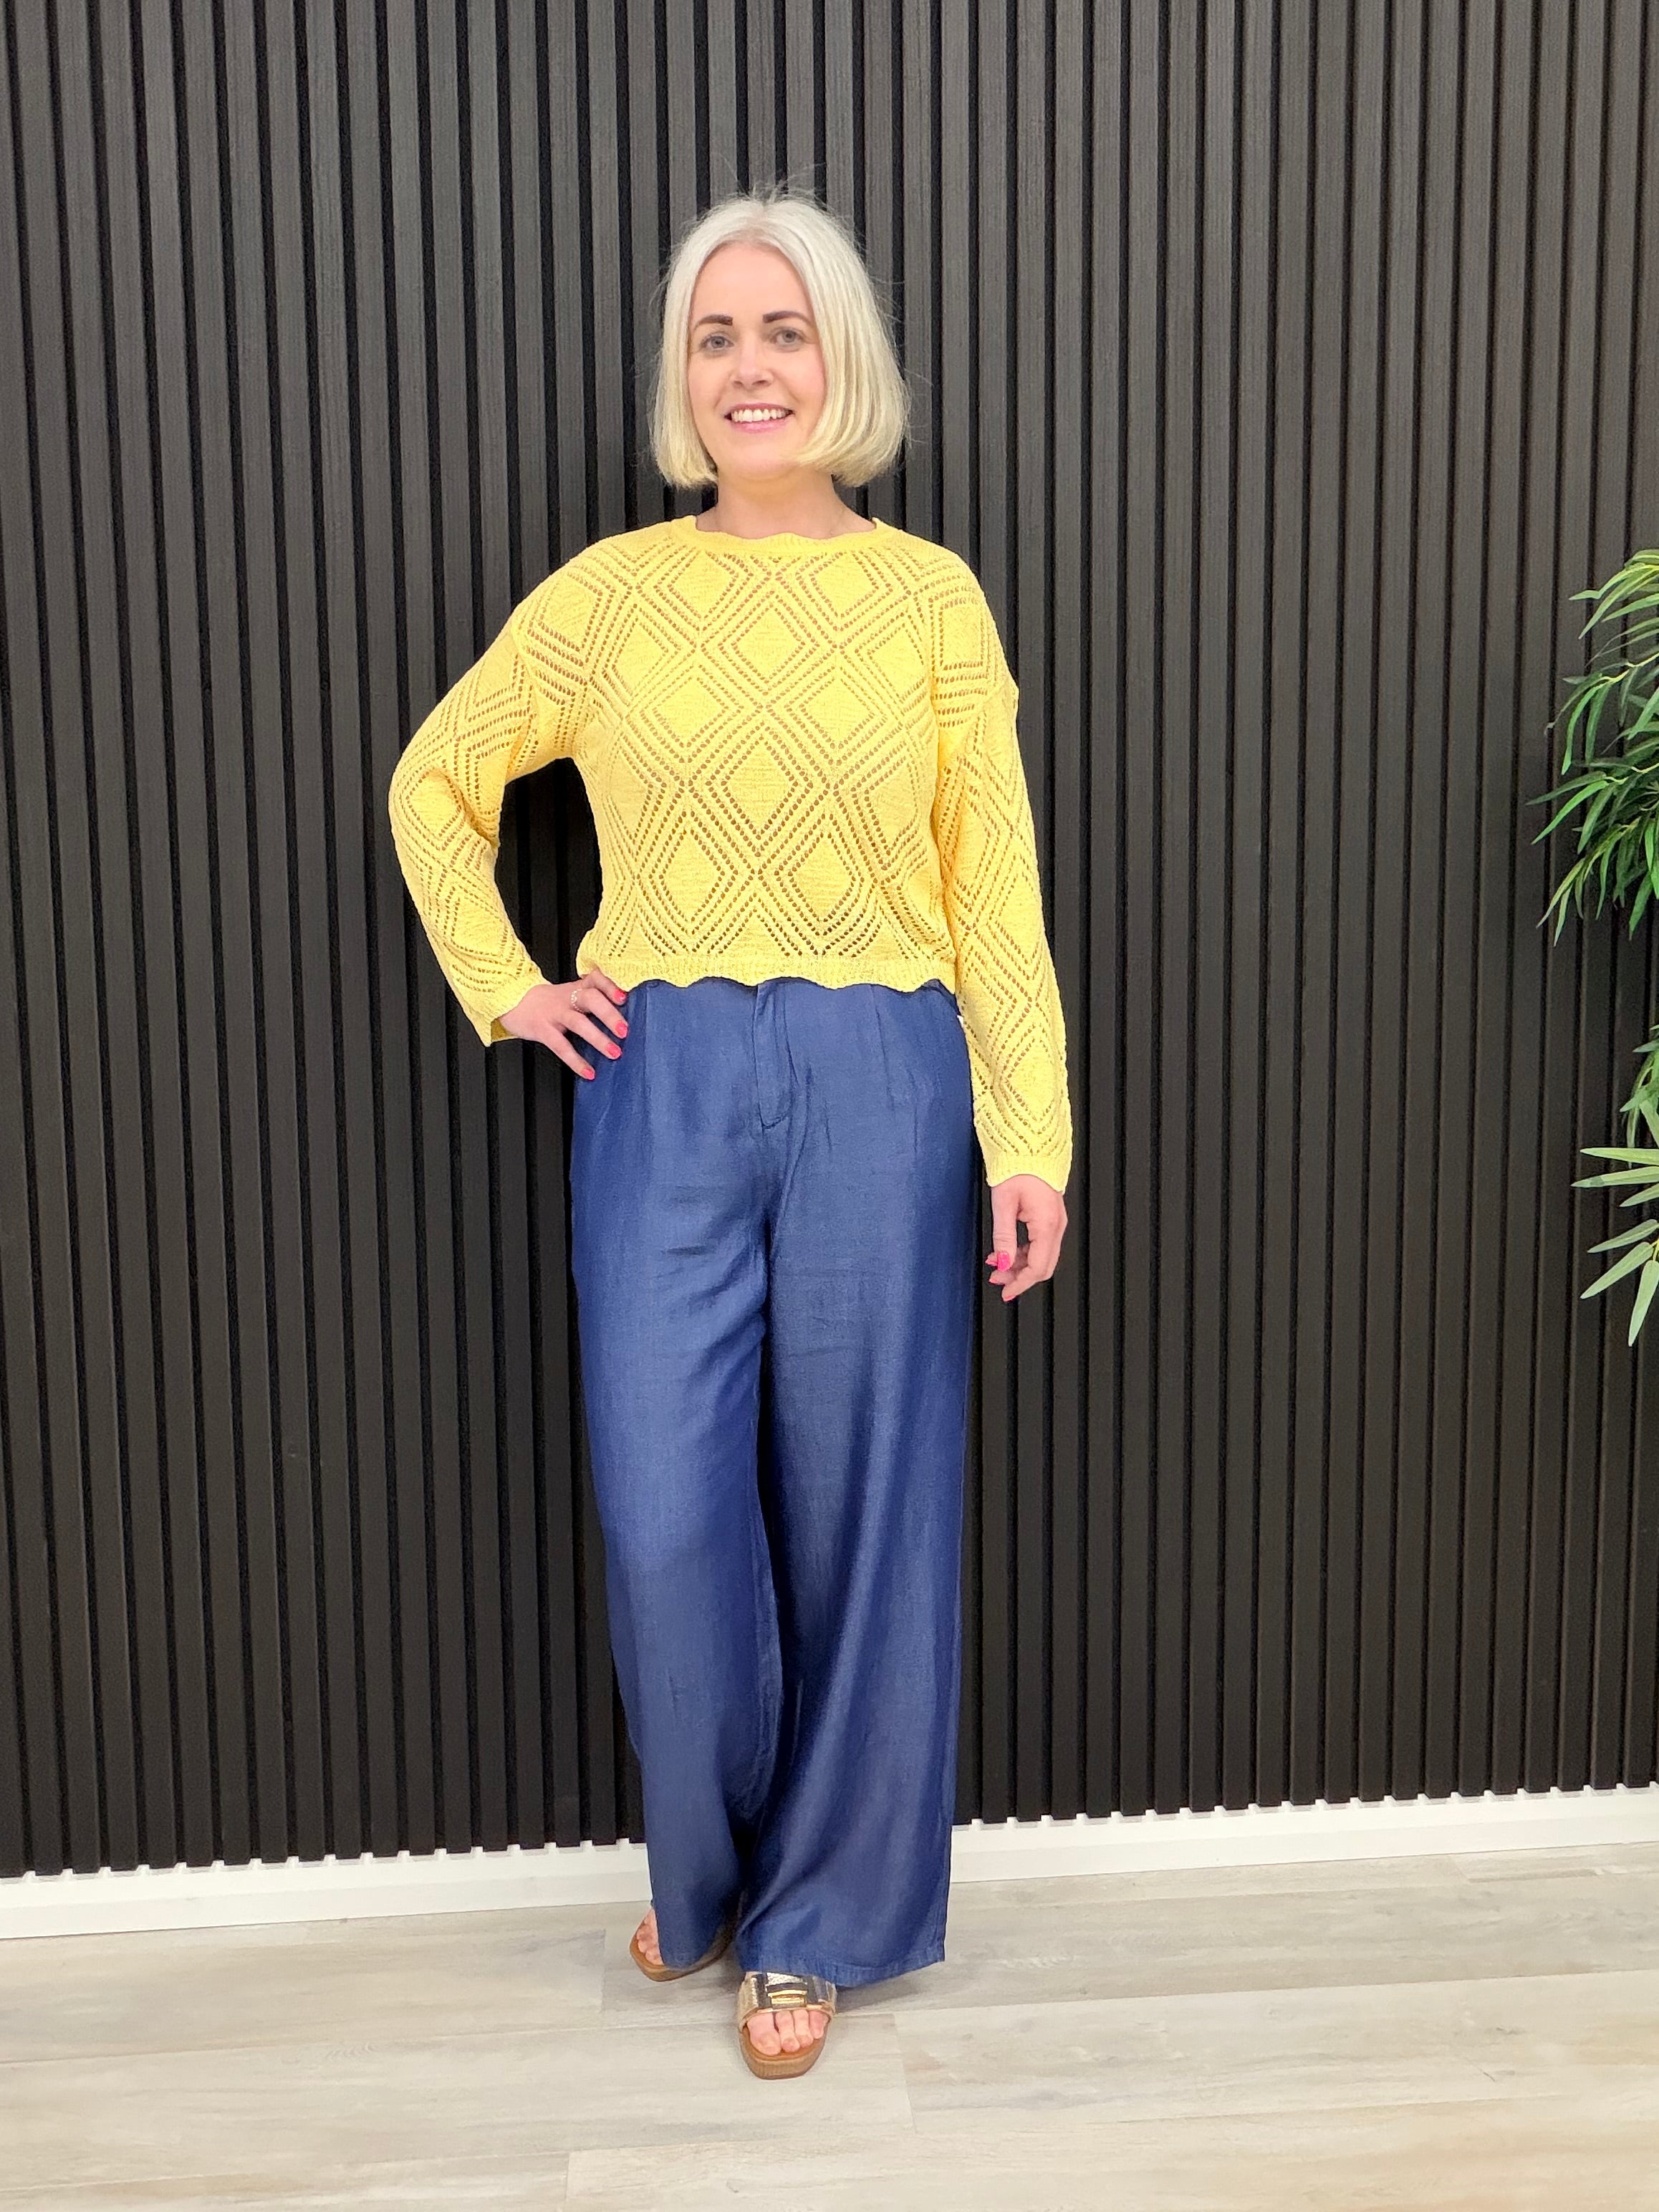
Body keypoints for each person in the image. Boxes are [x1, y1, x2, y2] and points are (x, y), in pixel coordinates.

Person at [387, 184, 1072, 2080]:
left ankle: (814, 1931)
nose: (749, 368)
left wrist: (1029, 1135)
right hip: (661, 1079)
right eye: (715, 336)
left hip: (883, 1077)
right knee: (664, 1510)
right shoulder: (606, 596)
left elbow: (993, 887)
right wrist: (506, 983)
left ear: (841, 361)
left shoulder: (929, 599)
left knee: (868, 1515)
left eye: (783, 331)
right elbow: (437, 779)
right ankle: (709, 1875)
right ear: (681, 377)